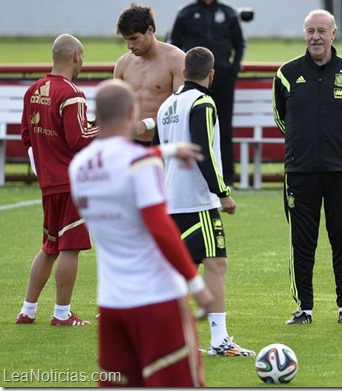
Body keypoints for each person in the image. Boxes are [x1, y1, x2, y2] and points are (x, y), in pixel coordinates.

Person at [69, 79, 214, 386]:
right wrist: (195, 282)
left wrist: (169, 150)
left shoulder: (79, 167)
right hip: (157, 300)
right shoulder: (139, 162)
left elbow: (116, 166)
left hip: (112, 305)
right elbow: (160, 228)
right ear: (132, 112)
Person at [152, 46, 255, 357]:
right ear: (211, 75)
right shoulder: (203, 102)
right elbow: (203, 150)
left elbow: (157, 154)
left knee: (184, 268)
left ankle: (166, 336)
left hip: (171, 199)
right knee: (216, 264)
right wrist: (221, 191)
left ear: (183, 73)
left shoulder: (166, 105)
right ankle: (219, 340)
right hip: (197, 200)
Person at [273, 9, 342, 325]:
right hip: (300, 172)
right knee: (302, 243)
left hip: (341, 171)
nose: (316, 36)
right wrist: (304, 146)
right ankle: (304, 308)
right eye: (310, 30)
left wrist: (336, 145)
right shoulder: (286, 74)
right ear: (305, 34)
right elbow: (281, 118)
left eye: (322, 31)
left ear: (333, 33)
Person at [16, 34, 99, 326]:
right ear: (76, 56)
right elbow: (79, 138)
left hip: (49, 183)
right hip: (71, 183)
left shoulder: (34, 90)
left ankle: (27, 310)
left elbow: (27, 136)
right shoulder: (72, 94)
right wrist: (106, 125)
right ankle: (62, 314)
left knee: (49, 246)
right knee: (69, 247)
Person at [168, 0, 247, 186]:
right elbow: (175, 44)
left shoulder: (228, 13)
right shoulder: (186, 13)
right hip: (193, 80)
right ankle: (191, 175)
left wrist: (232, 69)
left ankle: (227, 177)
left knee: (224, 126)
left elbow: (239, 43)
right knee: (192, 127)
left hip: (222, 79)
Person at [114, 3, 186, 146]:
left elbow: (181, 108)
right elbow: (117, 105)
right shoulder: (123, 63)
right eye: (126, 39)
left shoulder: (176, 59)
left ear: (150, 30)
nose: (129, 45)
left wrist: (146, 124)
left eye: (134, 38)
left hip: (165, 141)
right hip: (130, 143)